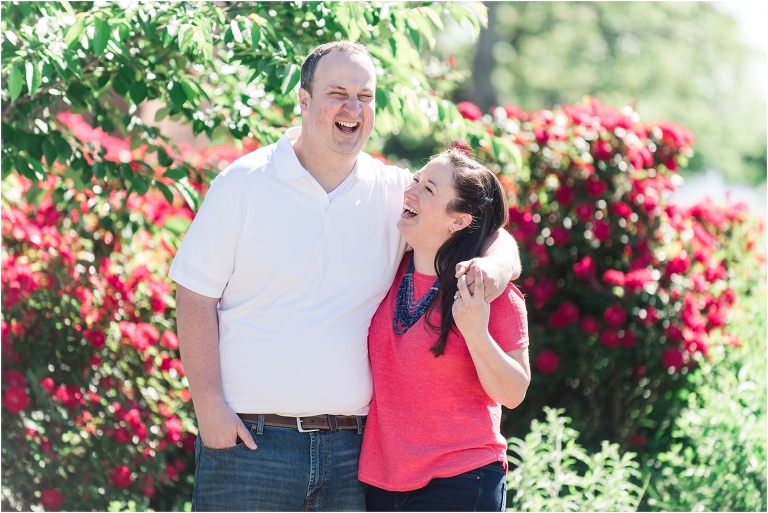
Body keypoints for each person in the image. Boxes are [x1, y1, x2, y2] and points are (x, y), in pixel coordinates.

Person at [169, 42, 521, 512]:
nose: (352, 109)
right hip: (251, 446)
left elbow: (481, 230)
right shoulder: (243, 184)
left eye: (365, 96)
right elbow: (194, 297)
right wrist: (208, 407)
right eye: (338, 92)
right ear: (304, 100)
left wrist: (494, 270)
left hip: (352, 457)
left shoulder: (394, 193)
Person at [359, 149, 531, 512]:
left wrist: (476, 334)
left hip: (461, 478)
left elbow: (514, 392)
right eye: (416, 180)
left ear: (458, 220)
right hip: (382, 482)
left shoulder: (489, 292)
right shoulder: (388, 267)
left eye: (429, 189)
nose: (411, 191)